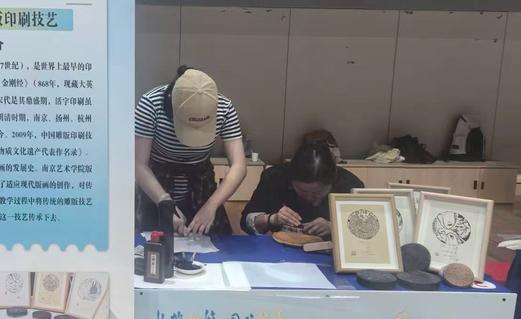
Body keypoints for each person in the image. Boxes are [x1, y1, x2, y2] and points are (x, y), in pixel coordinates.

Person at [135, 66, 246, 236]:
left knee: (211, 240)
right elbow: (138, 164)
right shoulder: (151, 104)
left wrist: (212, 205)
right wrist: (164, 202)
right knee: (154, 242)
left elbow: (239, 165)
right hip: (157, 184)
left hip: (200, 186)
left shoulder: (224, 107)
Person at [241, 141, 364, 237]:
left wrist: (334, 227)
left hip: (330, 252)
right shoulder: (274, 178)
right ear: (292, 180)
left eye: (318, 192)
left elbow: (365, 232)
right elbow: (245, 222)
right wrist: (272, 219)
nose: (310, 197)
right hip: (282, 248)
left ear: (331, 182)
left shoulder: (350, 186)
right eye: (302, 190)